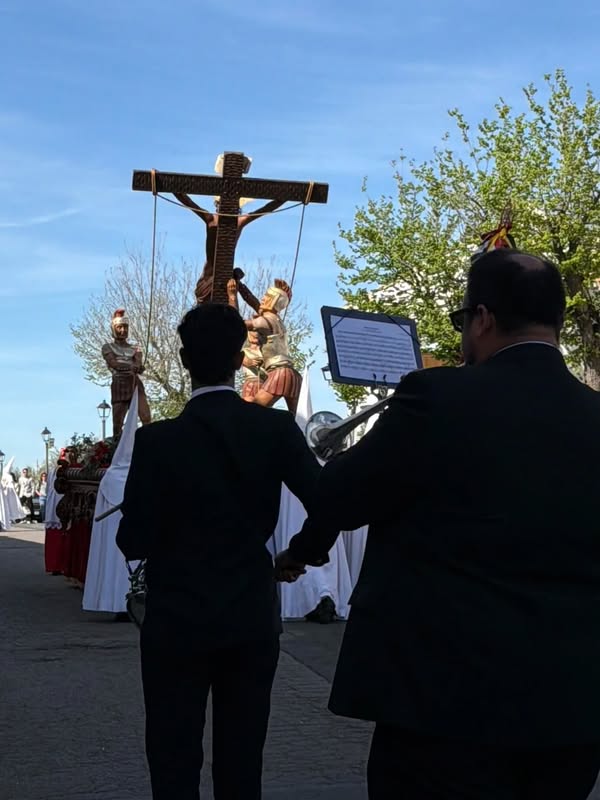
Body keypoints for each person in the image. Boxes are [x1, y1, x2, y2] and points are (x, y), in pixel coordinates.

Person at [276, 248, 600, 800]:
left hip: (444, 703)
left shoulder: (437, 396)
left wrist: (304, 545)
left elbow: (341, 496)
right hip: (571, 709)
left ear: (483, 318)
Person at [116, 303, 319, 800]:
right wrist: (299, 552)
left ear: (184, 361)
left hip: (175, 618)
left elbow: (132, 540)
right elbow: (329, 500)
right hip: (250, 615)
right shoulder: (274, 430)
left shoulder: (156, 441)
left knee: (173, 757)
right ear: (238, 359)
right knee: (242, 760)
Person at [174, 193, 285, 304]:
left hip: (223, 279)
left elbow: (265, 209)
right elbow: (187, 201)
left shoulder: (236, 222)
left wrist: (285, 197)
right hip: (209, 281)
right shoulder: (212, 219)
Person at [229, 277, 302, 414]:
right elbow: (256, 303)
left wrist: (232, 296)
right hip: (294, 376)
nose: (263, 299)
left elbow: (234, 323)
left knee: (251, 413)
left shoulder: (264, 321)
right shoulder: (277, 320)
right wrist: (241, 287)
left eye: (267, 297)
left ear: (274, 301)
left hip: (279, 374)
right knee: (294, 421)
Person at [102, 308, 151, 439]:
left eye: (125, 327)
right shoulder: (107, 347)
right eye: (119, 327)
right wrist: (131, 366)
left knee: (146, 416)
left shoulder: (135, 349)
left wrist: (138, 367)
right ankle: (116, 444)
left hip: (135, 383)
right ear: (113, 328)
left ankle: (149, 442)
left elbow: (138, 362)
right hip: (120, 384)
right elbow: (113, 363)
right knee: (118, 422)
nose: (123, 330)